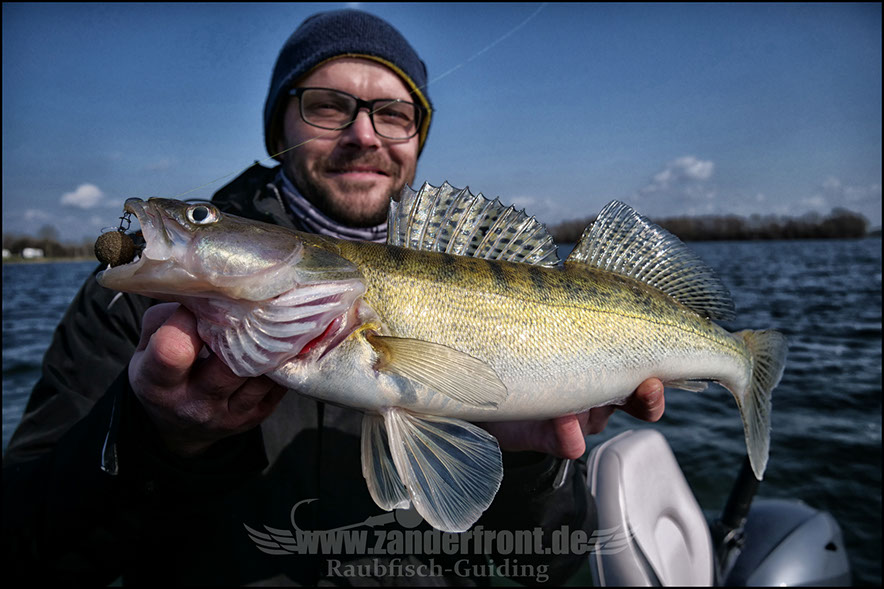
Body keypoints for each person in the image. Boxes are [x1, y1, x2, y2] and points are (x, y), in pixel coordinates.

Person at [2, 9, 665, 585]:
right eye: (327, 105)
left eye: (394, 114)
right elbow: (26, 554)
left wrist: (529, 455)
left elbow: (556, 560)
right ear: (277, 126)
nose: (364, 135)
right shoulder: (140, 305)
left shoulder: (474, 263)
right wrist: (154, 439)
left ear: (415, 141)